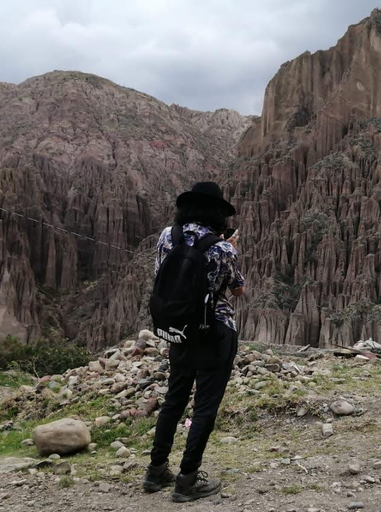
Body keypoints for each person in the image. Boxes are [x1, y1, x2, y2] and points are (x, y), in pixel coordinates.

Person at [143, 182, 245, 503]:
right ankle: (187, 480)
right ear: (217, 214)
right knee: (204, 407)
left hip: (180, 331)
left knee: (174, 399)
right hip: (215, 333)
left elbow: (162, 275)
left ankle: (156, 469)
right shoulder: (222, 248)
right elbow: (237, 290)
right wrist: (231, 248)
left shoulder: (165, 237)